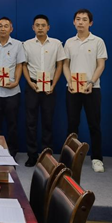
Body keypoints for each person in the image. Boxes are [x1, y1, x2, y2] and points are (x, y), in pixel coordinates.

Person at [63, 9, 108, 173]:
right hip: (72, 89)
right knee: (72, 124)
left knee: (94, 124)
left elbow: (101, 65)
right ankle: (70, 158)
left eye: (84, 19)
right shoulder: (69, 42)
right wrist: (69, 82)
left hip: (92, 89)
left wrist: (91, 81)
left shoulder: (98, 41)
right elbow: (65, 65)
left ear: (90, 23)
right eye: (78, 19)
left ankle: (97, 159)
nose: (80, 22)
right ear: (74, 22)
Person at [22, 14, 66, 167]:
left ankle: (47, 155)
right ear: (33, 27)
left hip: (49, 86)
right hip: (32, 85)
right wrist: (29, 82)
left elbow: (60, 65)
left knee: (47, 121)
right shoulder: (27, 44)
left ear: (48, 27)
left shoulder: (56, 44)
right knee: (31, 122)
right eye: (37, 25)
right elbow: (23, 66)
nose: (40, 28)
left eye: (43, 25)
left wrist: (53, 85)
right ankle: (32, 155)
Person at [0, 17, 26, 159]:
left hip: (12, 91)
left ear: (11, 29)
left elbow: (20, 64)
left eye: (6, 26)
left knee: (12, 124)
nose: (3, 28)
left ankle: (12, 152)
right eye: (0, 26)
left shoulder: (18, 45)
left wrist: (16, 81)